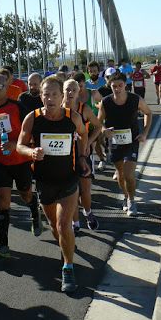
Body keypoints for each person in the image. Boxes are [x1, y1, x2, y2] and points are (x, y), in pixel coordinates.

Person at [17, 76, 90, 293]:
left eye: (54, 95)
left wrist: (83, 157)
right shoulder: (33, 118)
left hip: (68, 180)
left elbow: (84, 135)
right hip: (44, 181)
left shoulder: (72, 117)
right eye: (45, 94)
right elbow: (19, 145)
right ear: (40, 96)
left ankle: (68, 267)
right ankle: (66, 246)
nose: (49, 99)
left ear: (62, 97)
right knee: (54, 226)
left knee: (63, 224)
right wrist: (31, 152)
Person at [0, 73, 39, 250]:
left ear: (7, 87)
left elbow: (30, 133)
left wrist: (16, 144)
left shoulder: (18, 107)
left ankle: (34, 209)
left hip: (20, 160)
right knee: (2, 201)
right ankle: (3, 245)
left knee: (25, 194)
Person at [98, 72, 152, 216]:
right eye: (114, 86)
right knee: (120, 175)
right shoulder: (106, 102)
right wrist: (104, 130)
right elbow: (98, 122)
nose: (117, 89)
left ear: (125, 85)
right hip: (115, 143)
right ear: (110, 86)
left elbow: (148, 113)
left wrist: (145, 133)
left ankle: (132, 201)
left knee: (128, 174)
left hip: (132, 141)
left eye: (120, 85)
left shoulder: (135, 99)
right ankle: (126, 197)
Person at [63, 79, 101, 232]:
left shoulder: (83, 109)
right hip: (64, 156)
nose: (70, 93)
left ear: (79, 92)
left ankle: (88, 212)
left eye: (73, 90)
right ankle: (75, 224)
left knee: (85, 191)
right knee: (72, 191)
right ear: (62, 91)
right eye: (67, 89)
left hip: (82, 154)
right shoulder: (57, 110)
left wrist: (89, 142)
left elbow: (98, 126)